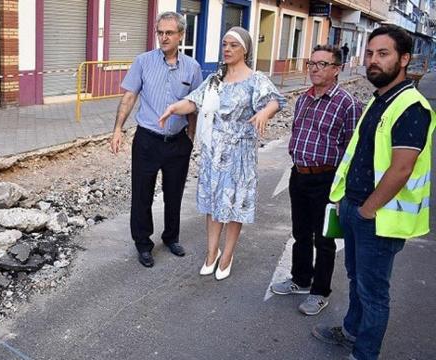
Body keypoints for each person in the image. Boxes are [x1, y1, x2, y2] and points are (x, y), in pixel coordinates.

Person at [312, 25, 435, 360]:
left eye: (383, 54)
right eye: (369, 54)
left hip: (378, 217)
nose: (373, 61)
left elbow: (401, 168)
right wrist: (344, 202)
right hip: (354, 208)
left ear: (404, 59)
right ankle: (351, 331)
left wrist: (367, 210)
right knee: (356, 280)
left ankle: (364, 353)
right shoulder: (380, 99)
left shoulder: (411, 106)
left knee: (374, 292)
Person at [158, 27, 285, 280]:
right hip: (213, 154)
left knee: (234, 205)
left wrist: (263, 113)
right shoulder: (215, 80)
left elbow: (275, 100)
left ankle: (227, 255)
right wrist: (174, 108)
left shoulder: (255, 79)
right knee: (214, 204)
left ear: (245, 49)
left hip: (240, 155)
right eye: (224, 44)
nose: (227, 49)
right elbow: (193, 102)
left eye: (233, 45)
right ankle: (211, 252)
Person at [270, 45, 362, 315]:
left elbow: (351, 150)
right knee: (300, 233)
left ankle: (320, 291)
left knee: (324, 239)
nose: (315, 68)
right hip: (299, 175)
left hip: (327, 179)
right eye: (312, 63)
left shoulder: (348, 104)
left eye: (323, 64)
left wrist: (342, 188)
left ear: (336, 69)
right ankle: (300, 279)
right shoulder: (304, 98)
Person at [110, 11, 203, 268]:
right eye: (160, 32)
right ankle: (143, 244)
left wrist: (192, 137)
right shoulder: (143, 62)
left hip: (177, 142)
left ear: (181, 35)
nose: (163, 37)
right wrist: (118, 129)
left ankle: (171, 237)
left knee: (174, 194)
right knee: (142, 194)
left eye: (169, 33)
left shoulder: (192, 68)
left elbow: (195, 105)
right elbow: (129, 97)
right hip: (147, 141)